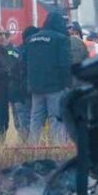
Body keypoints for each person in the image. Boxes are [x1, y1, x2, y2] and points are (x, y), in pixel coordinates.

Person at [24, 12, 71, 144]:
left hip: (35, 86)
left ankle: (32, 147)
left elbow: (25, 62)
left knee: (36, 119)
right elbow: (65, 64)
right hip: (55, 86)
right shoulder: (61, 39)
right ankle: (56, 147)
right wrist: (67, 83)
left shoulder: (32, 39)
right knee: (56, 118)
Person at [10, 27, 35, 143]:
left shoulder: (17, 51)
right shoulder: (30, 52)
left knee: (20, 125)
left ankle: (22, 147)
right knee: (26, 124)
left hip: (15, 94)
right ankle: (25, 148)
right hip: (24, 95)